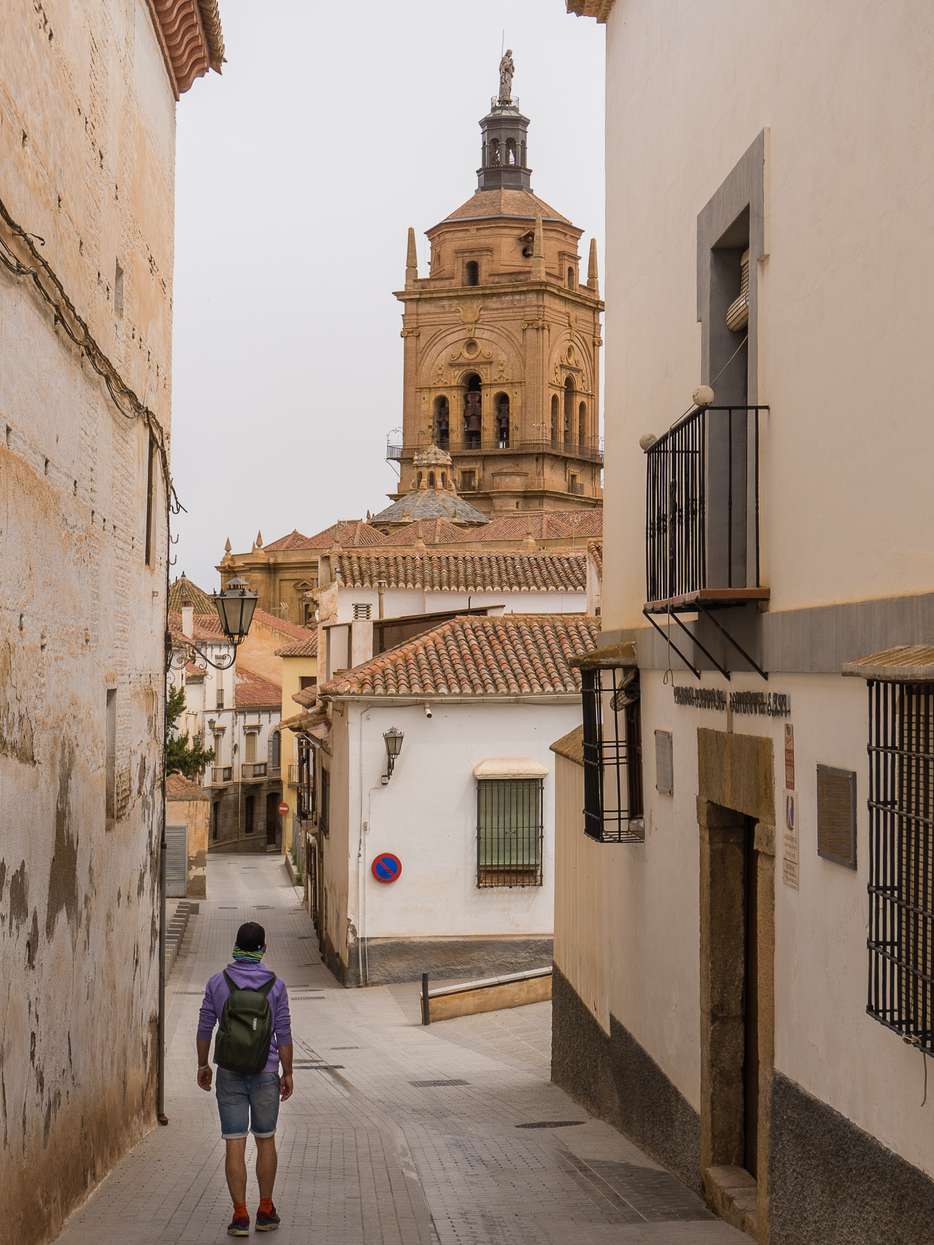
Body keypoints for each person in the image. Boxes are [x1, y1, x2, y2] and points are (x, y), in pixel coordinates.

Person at [196, 921, 293, 1236]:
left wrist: (202, 1065)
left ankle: (240, 1216)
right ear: (263, 948)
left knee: (234, 1142)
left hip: (229, 1072)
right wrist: (288, 1072)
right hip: (265, 1073)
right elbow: (283, 1032)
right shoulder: (276, 986)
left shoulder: (217, 983)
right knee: (265, 1140)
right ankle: (265, 1210)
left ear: (235, 946)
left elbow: (205, 1026)